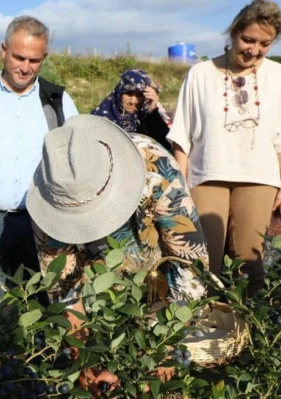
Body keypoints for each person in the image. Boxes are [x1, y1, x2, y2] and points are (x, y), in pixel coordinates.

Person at [27, 115, 208, 396]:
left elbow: (189, 265)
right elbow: (64, 290)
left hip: (158, 291)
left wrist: (166, 346)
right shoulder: (52, 189)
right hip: (95, 295)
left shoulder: (155, 168)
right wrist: (85, 359)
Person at [167, 0, 281, 295]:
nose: (254, 50)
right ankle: (205, 330)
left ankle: (251, 334)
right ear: (233, 32)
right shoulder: (200, 74)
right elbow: (183, 134)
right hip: (207, 176)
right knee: (204, 261)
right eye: (248, 39)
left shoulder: (278, 75)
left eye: (264, 44)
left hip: (259, 178)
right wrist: (181, 183)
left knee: (250, 263)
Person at [0, 16, 79, 295]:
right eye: (19, 57)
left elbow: (76, 155)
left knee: (42, 302)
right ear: (4, 50)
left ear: (44, 57)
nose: (25, 68)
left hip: (42, 224)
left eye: (34, 60)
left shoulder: (58, 101)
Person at [91, 69, 172, 150]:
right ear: (120, 92)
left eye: (139, 95)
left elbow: (165, 146)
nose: (133, 101)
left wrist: (152, 109)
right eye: (129, 94)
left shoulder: (144, 118)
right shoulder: (100, 118)